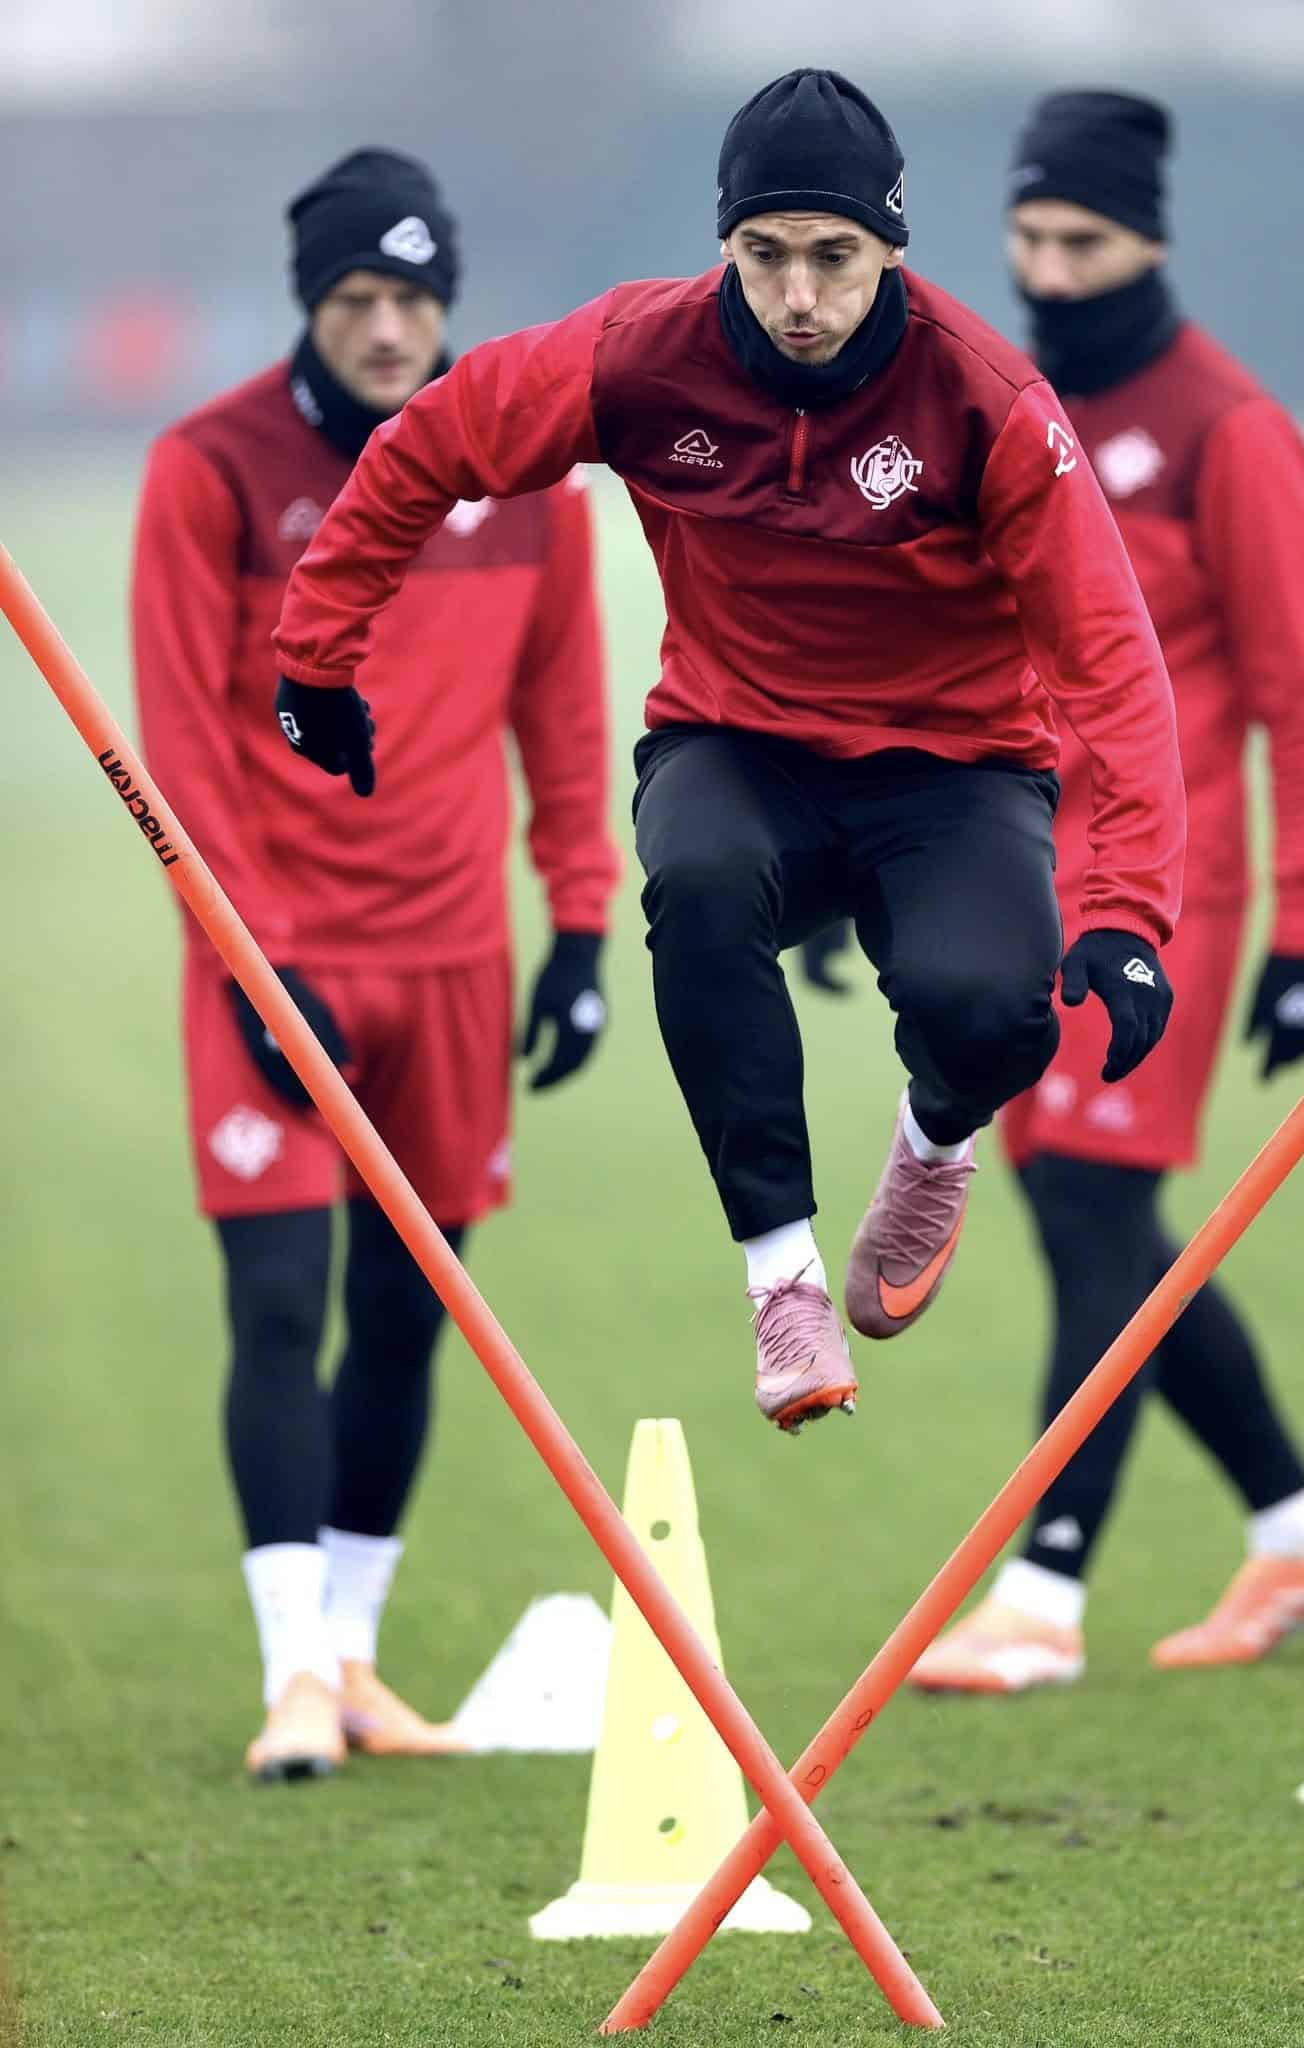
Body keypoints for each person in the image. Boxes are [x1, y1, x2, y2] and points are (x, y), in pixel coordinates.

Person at [270, 70, 1187, 1438]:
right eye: (764, 255)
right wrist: (315, 654)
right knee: (698, 883)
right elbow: (426, 448)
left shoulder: (988, 401)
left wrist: (1127, 912)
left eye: (833, 257)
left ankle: (934, 1143)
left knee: (996, 1013)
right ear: (725, 247)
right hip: (736, 742)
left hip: (953, 768)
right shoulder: (637, 355)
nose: (797, 296)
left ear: (891, 249)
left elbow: (1111, 660)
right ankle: (783, 1280)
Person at [132, 148, 620, 1780]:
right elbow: (185, 740)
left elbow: (564, 713)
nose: (388, 328)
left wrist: (578, 924)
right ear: (310, 305)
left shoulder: (529, 479)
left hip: (457, 961)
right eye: (355, 296)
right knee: (278, 1301)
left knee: (412, 1316)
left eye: (413, 296)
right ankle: (288, 1677)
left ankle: (350, 1658)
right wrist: (254, 963)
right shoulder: (210, 468)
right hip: (271, 957)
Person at [912, 92, 1304, 1694]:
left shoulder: (1223, 431)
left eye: (1084, 242)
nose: (1049, 271)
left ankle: (1042, 1593)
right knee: (1090, 1217)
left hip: (1167, 892)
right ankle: (1301, 1530)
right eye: (1028, 238)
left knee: (1098, 1210)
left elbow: (1303, 694)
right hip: (1009, 875)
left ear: (1150, 241)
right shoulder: (1006, 408)